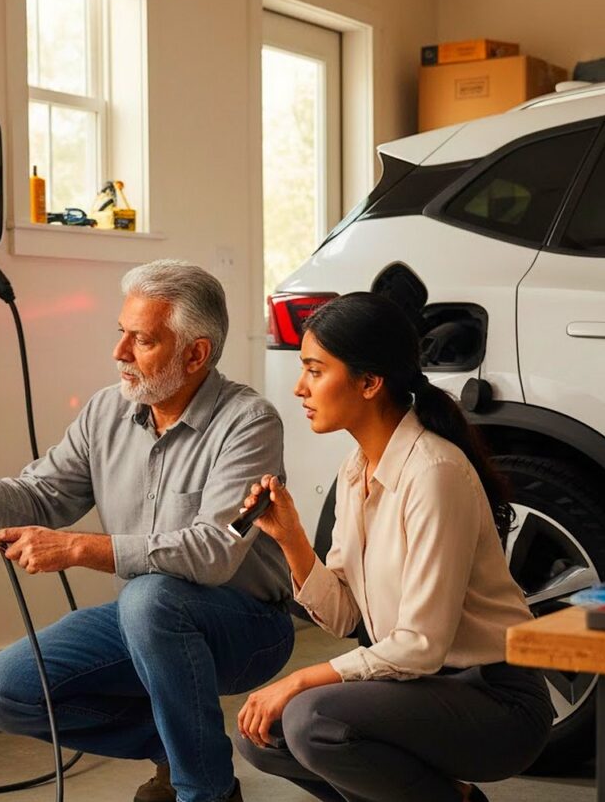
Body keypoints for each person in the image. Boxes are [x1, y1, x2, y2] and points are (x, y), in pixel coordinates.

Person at [0, 260, 294, 802]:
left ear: (195, 354)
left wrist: (79, 548)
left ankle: (207, 791)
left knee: (151, 598)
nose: (119, 353)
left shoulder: (248, 423)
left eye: (142, 340)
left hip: (246, 627)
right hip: (144, 621)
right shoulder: (107, 410)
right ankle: (181, 748)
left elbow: (215, 551)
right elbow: (44, 495)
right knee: (1, 690)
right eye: (120, 333)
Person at [234, 292, 553, 802]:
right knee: (260, 734)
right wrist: (291, 537)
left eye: (315, 371)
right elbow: (343, 619)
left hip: (494, 699)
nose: (299, 388)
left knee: (309, 717)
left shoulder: (434, 472)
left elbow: (421, 646)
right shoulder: (357, 469)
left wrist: (298, 681)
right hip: (418, 690)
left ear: (368, 382)